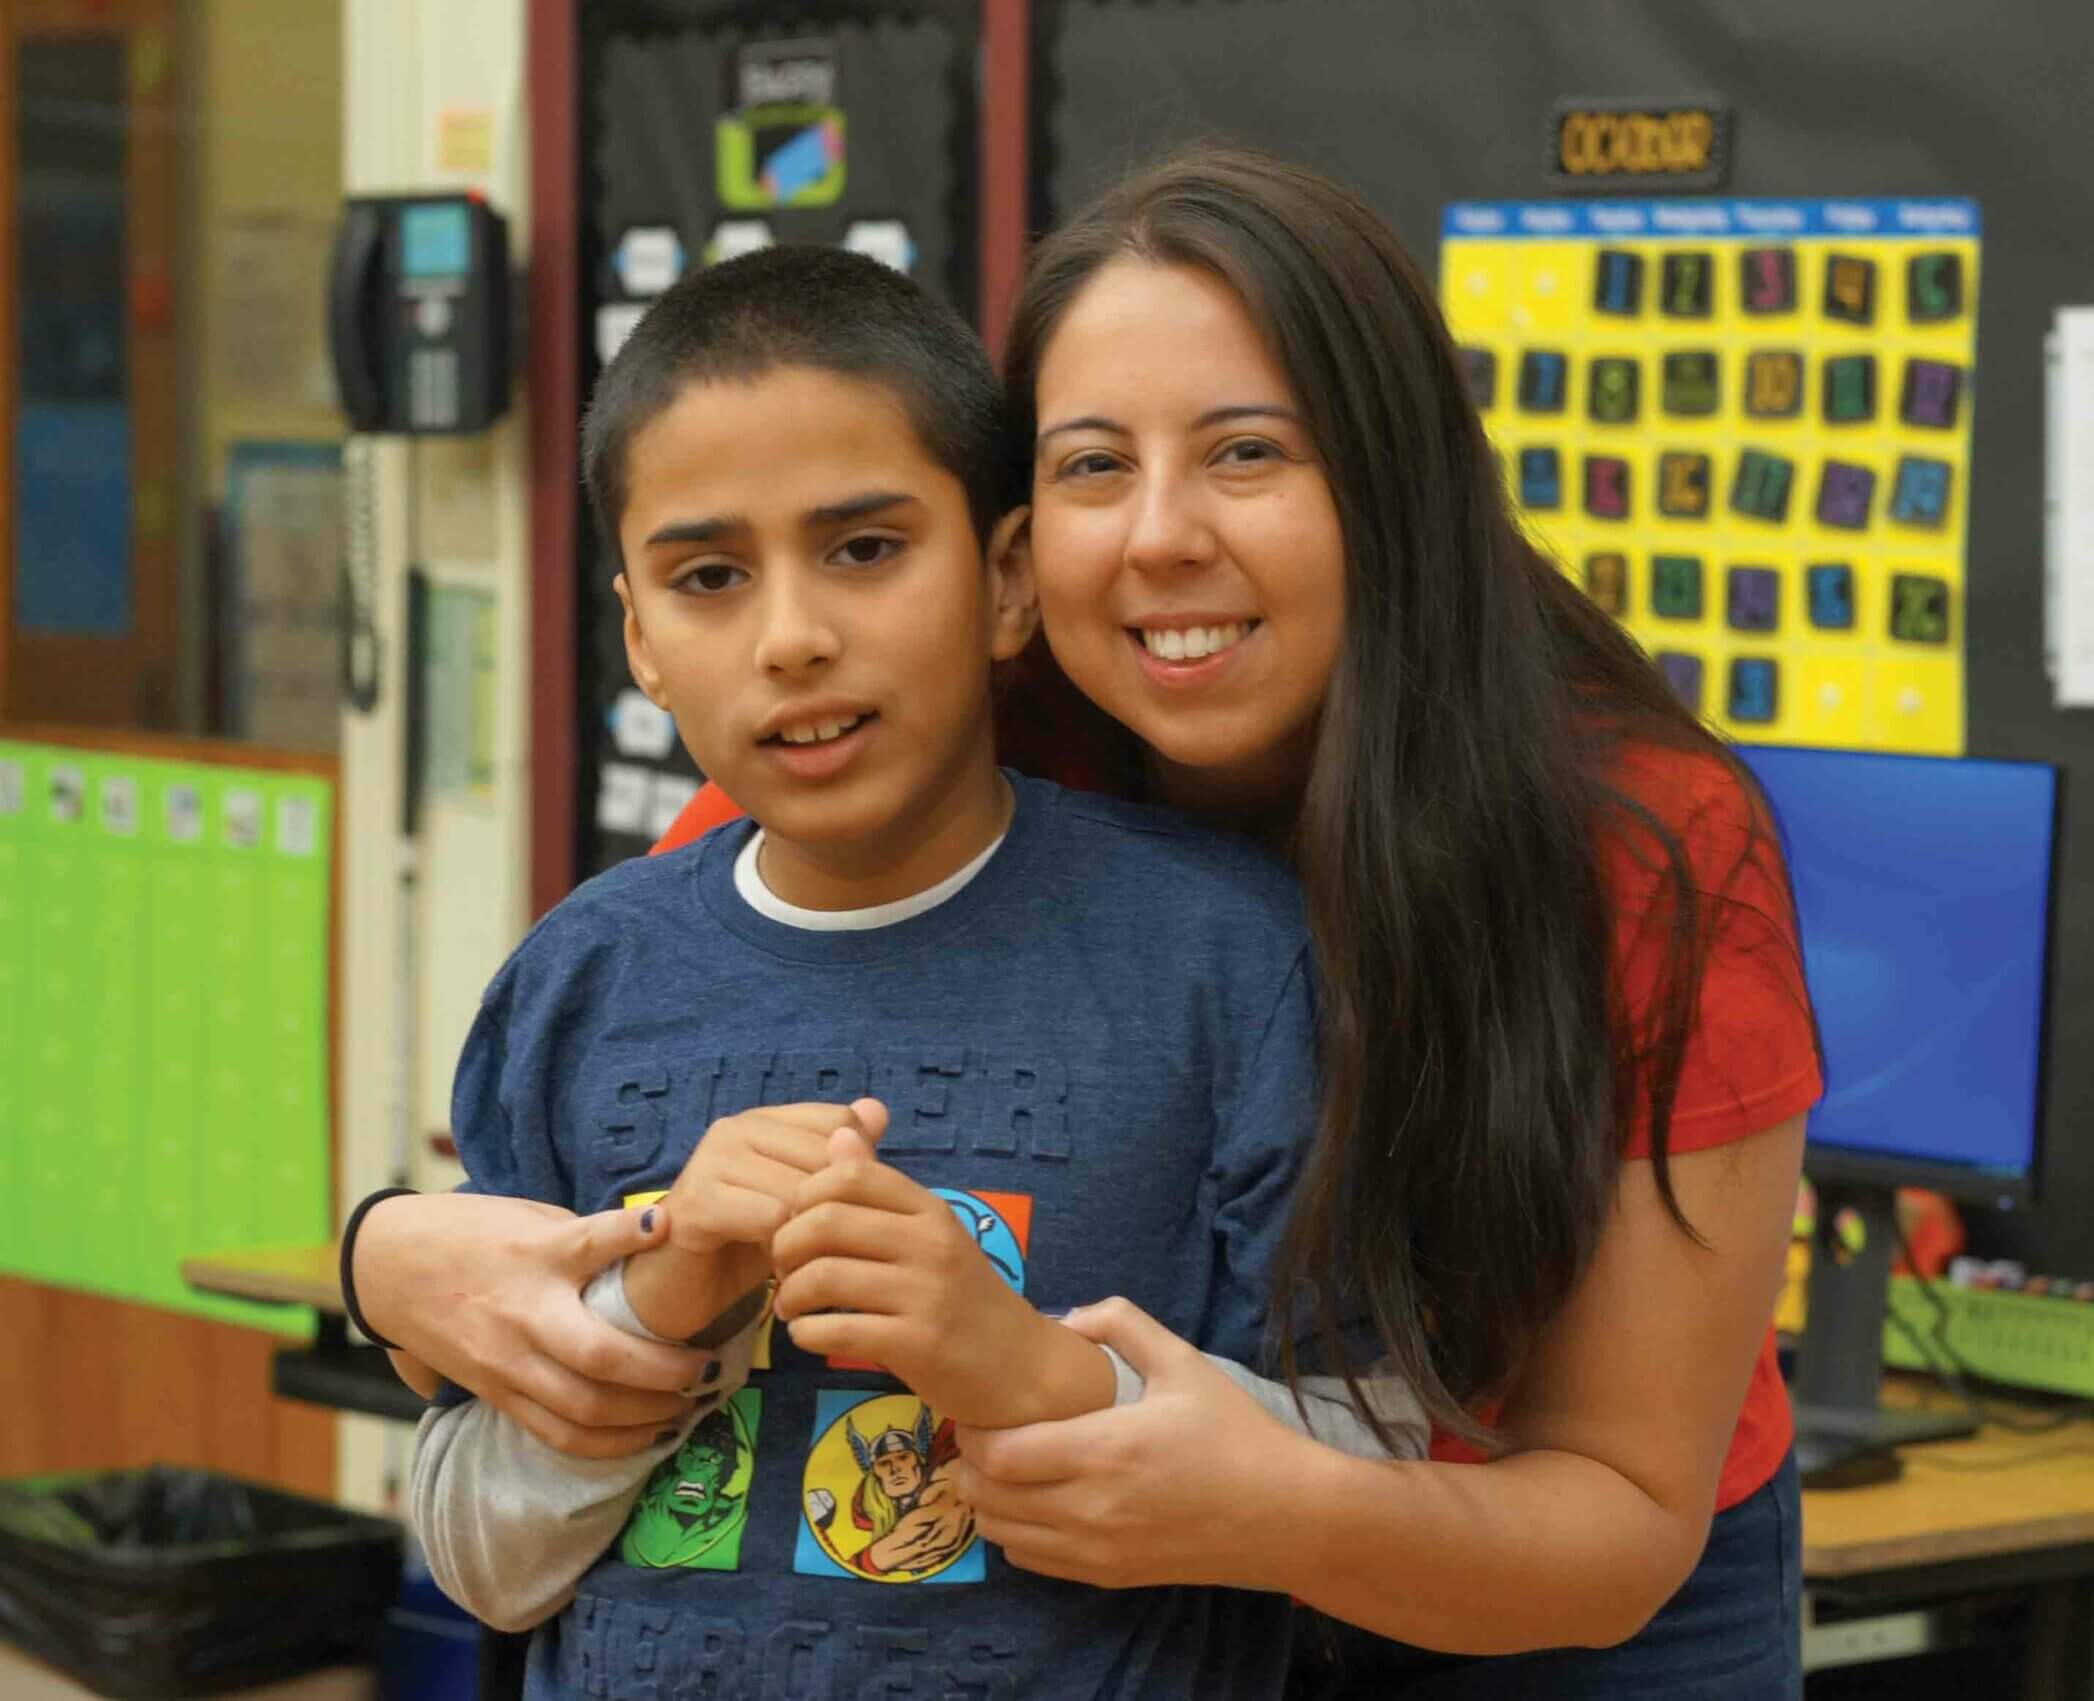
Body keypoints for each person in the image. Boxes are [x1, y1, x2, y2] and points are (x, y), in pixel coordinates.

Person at [353, 147, 1818, 1696]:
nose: (1159, 537)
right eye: (1092, 465)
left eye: (1248, 453)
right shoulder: (928, 736)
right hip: (1138, 1579)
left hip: (1563, 1591)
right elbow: (587, 1194)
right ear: (1016, 541)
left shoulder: (1640, 845)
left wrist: (1178, 1460)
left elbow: (1622, 1514)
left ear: (1393, 477)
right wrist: (386, 1257)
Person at [401, 243, 1332, 1701]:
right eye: (708, 577)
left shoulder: (1227, 960)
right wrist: (663, 1303)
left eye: (865, 548)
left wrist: (1033, 1371)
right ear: (640, 639)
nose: (794, 638)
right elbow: (480, 1555)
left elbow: (1372, 1466)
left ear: (1009, 580)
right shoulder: (579, 978)